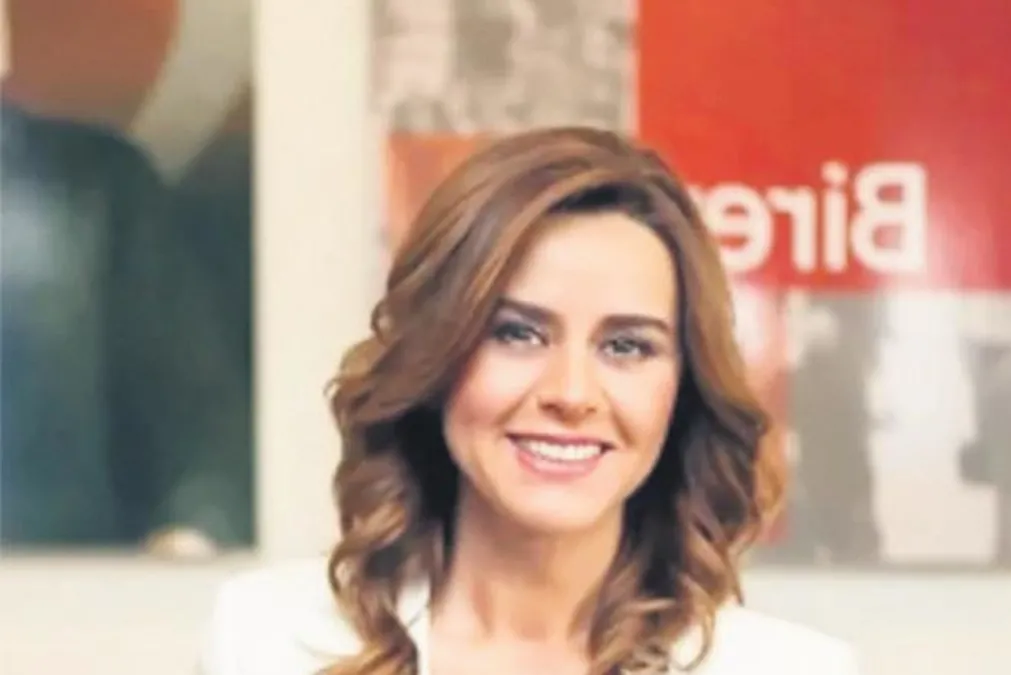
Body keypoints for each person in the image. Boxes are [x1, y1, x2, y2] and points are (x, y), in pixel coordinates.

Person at [198, 128, 859, 674]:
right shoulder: (266, 641)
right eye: (517, 334)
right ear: (437, 356)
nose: (570, 394)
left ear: (683, 389)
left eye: (626, 346)